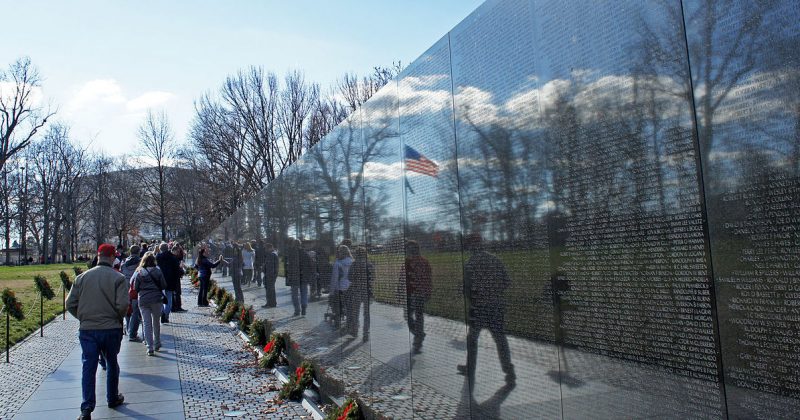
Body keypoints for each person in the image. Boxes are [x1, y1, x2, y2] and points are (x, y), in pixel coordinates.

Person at [66, 243, 129, 419]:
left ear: (98, 256)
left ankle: (86, 407)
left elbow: (69, 303)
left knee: (89, 366)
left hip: (88, 329)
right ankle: (112, 397)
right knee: (112, 362)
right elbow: (123, 305)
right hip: (111, 328)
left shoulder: (82, 278)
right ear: (112, 257)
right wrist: (117, 317)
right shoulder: (118, 278)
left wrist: (83, 317)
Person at [457, 233, 516, 389]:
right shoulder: (495, 259)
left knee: (472, 339)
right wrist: (493, 292)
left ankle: (470, 368)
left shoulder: (470, 263)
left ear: (471, 246)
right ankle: (509, 371)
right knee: (500, 339)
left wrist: (473, 296)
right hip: (497, 305)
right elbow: (506, 282)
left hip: (479, 307)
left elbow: (467, 289)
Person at [132, 252, 167, 356]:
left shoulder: (139, 272)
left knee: (146, 323)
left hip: (143, 300)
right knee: (156, 322)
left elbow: (135, 287)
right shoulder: (158, 271)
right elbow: (163, 285)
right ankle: (157, 343)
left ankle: (149, 347)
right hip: (156, 299)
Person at [405, 240, 432, 354]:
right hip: (410, 293)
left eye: (412, 249)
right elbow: (404, 277)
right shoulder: (407, 261)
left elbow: (428, 277)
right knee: (409, 316)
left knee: (417, 316)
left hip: (417, 293)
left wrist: (428, 291)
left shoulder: (424, 262)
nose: (410, 251)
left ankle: (418, 341)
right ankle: (419, 334)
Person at [347, 246, 373, 342]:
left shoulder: (353, 265)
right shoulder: (369, 264)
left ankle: (355, 330)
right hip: (367, 291)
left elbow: (349, 278)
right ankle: (366, 333)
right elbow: (373, 277)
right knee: (367, 314)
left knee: (356, 312)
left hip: (356, 291)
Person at [120, 245, 142, 342]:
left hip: (125, 287)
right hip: (134, 289)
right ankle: (132, 332)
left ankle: (128, 326)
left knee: (127, 310)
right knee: (135, 311)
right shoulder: (140, 262)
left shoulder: (124, 262)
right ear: (138, 252)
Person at [156, 242, 181, 323]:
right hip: (170, 281)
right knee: (169, 299)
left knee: (160, 299)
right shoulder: (173, 257)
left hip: (159, 281)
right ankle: (166, 315)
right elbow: (177, 271)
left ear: (160, 249)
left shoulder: (157, 257)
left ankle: (162, 313)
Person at [330, 245, 353, 328]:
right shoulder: (352, 262)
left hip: (340, 287)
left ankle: (337, 322)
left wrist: (331, 291)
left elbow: (334, 278)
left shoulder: (338, 264)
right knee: (349, 306)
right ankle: (350, 322)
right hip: (350, 287)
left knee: (337, 306)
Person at [262, 243, 279, 308]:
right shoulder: (272, 254)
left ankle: (271, 303)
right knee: (270, 289)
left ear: (270, 248)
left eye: (266, 248)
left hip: (270, 275)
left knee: (270, 290)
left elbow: (271, 266)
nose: (265, 250)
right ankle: (270, 303)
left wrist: (268, 274)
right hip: (270, 274)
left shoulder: (272, 254)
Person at [171, 244, 187, 312]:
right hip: (175, 278)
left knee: (176, 293)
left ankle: (176, 306)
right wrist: (181, 268)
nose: (178, 253)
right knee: (176, 293)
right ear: (174, 251)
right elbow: (176, 269)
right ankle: (177, 307)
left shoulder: (174, 258)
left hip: (174, 277)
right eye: (177, 252)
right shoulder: (174, 258)